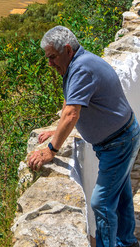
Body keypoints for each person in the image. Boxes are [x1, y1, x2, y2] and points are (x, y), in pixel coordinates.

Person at [27, 25, 139, 247]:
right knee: (122, 195)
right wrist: (56, 130)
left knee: (102, 203)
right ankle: (127, 242)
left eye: (52, 57)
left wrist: (51, 150)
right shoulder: (77, 64)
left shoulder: (81, 69)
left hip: (118, 142)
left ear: (68, 49)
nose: (49, 63)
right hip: (121, 136)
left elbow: (71, 113)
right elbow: (71, 102)